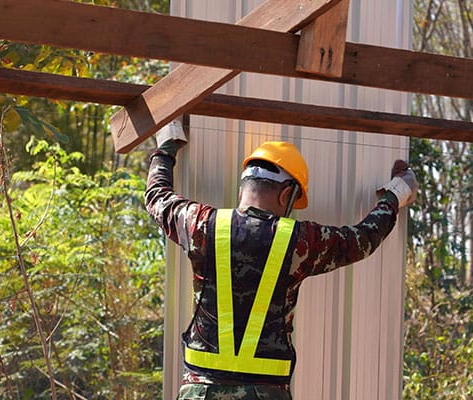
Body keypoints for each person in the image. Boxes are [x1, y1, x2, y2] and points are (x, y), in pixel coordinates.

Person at [145, 125, 418, 400]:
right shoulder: (300, 241)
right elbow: (363, 238)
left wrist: (168, 145)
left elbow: (157, 196)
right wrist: (396, 193)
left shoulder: (201, 224)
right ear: (286, 194)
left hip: (201, 392)